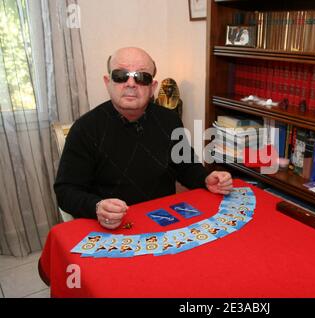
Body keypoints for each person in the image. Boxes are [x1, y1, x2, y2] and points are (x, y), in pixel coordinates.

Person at [54, 47, 233, 229]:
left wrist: (206, 178)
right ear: (108, 82)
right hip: (112, 227)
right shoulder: (85, 129)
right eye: (121, 75)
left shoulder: (170, 120)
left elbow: (186, 167)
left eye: (141, 77)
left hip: (165, 223)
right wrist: (97, 207)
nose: (131, 83)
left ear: (152, 87)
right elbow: (66, 191)